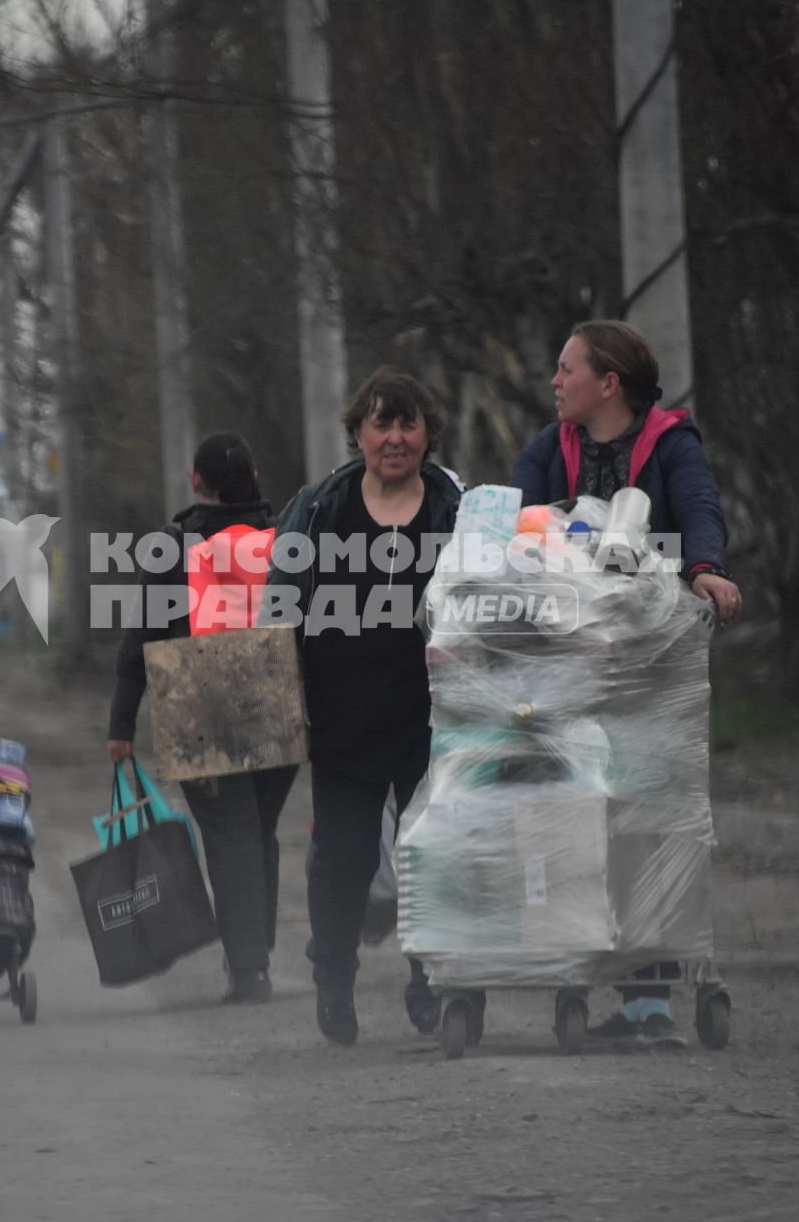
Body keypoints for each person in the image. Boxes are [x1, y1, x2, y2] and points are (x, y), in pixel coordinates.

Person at [511, 318, 742, 1048]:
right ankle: (607, 975)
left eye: (565, 367)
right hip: (569, 667)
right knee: (579, 820)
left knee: (648, 823)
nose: (555, 381)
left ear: (607, 382)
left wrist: (703, 567)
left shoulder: (670, 446)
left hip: (650, 670)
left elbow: (701, 510)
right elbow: (513, 527)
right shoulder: (552, 451)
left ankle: (649, 1001)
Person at [265, 370, 463, 1045]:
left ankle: (430, 979)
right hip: (341, 716)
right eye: (382, 424)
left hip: (431, 719)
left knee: (432, 855)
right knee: (341, 857)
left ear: (428, 433)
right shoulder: (320, 507)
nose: (396, 439)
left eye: (408, 425)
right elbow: (279, 601)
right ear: (359, 433)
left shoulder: (456, 507)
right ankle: (335, 978)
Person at [106, 432, 297, 1006]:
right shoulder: (283, 538)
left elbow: (141, 637)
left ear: (196, 481)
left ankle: (249, 969)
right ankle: (254, 954)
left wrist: (121, 725)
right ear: (256, 475)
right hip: (274, 695)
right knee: (258, 831)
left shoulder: (174, 546)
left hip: (196, 700)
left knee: (230, 835)